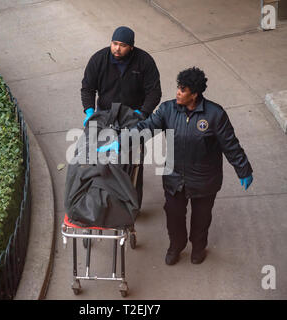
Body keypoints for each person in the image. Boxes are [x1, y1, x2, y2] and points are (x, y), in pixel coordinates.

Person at [98, 67, 253, 265]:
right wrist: (122, 141)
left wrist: (244, 169)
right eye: (178, 87)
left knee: (201, 218)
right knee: (174, 217)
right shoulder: (167, 109)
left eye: (183, 89)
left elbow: (230, 145)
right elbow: (146, 127)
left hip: (204, 180)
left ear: (195, 94)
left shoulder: (215, 114)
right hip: (174, 177)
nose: (177, 92)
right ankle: (176, 246)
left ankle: (198, 247)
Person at [82, 26, 162, 208]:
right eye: (115, 43)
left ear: (131, 47)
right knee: (99, 155)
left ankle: (133, 204)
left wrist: (142, 114)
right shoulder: (98, 59)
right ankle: (99, 197)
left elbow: (154, 92)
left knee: (134, 160)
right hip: (105, 114)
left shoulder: (144, 62)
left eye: (123, 45)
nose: (117, 48)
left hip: (132, 116)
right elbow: (87, 87)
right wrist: (89, 111)